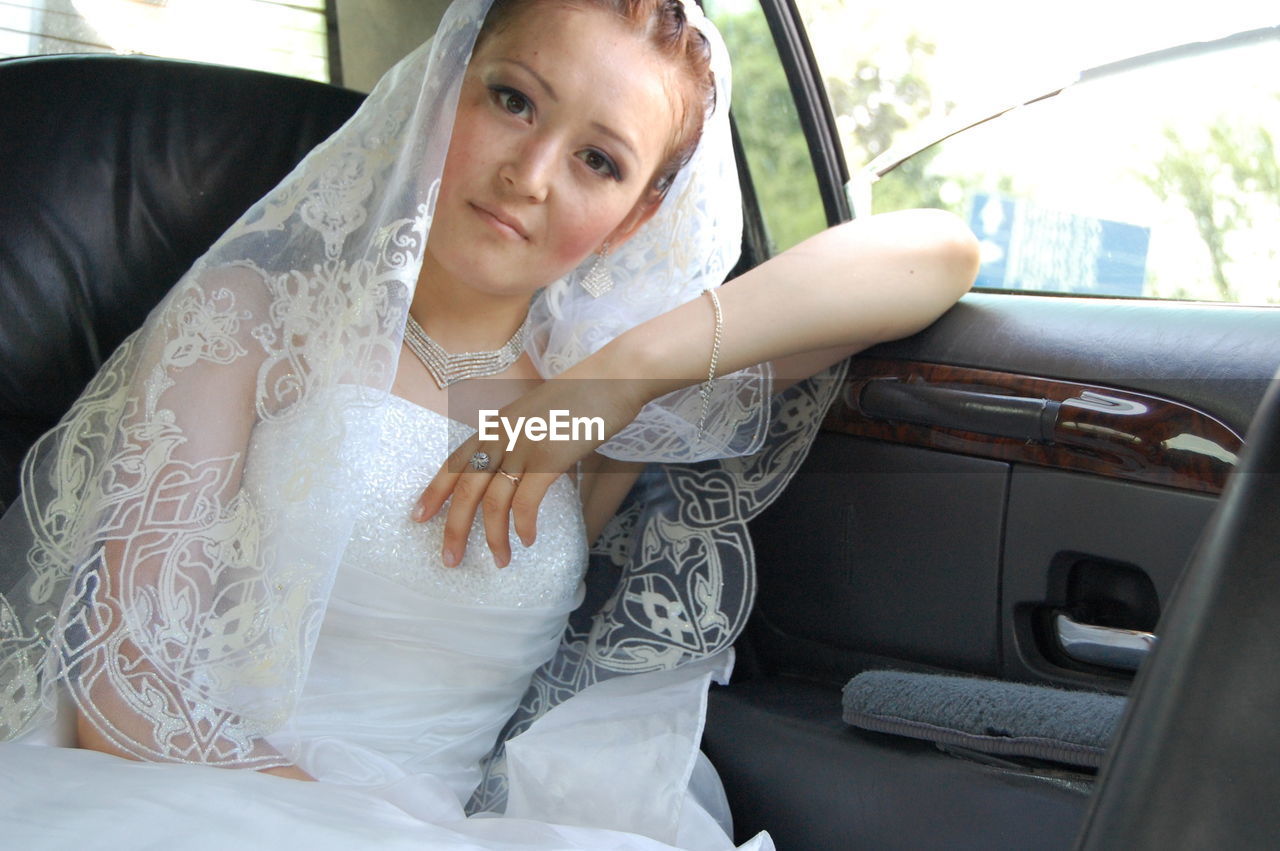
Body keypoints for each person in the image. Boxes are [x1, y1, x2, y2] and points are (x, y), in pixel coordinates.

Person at [0, 0, 977, 847]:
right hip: (187, 801)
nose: (531, 173)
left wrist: (617, 375)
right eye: (512, 100)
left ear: (636, 218)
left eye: (598, 160)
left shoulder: (606, 404)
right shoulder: (252, 317)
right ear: (443, 90)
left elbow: (935, 250)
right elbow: (123, 689)